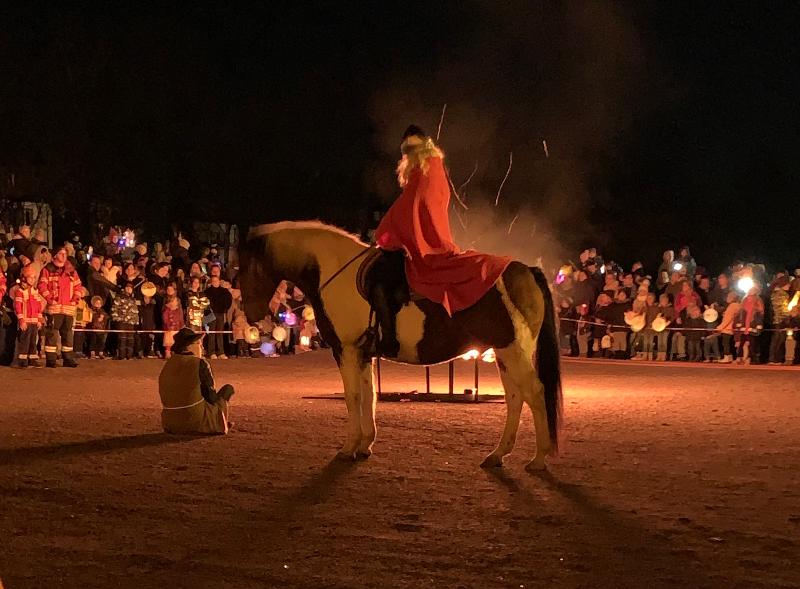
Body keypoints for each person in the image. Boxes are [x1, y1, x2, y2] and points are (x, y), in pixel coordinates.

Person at [372, 125, 512, 357]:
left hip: (426, 243)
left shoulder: (428, 170)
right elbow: (413, 204)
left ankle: (389, 337)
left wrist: (388, 230)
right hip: (422, 236)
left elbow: (412, 206)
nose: (409, 153)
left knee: (383, 277)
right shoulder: (428, 170)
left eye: (412, 148)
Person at [158, 327, 234, 434]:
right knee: (227, 390)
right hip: (194, 419)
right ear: (189, 346)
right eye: (198, 343)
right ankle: (220, 423)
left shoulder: (168, 364)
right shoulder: (199, 363)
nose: (202, 347)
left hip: (169, 422)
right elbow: (210, 395)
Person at [38, 247, 83, 368]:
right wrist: (50, 300)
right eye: (61, 253)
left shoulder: (72, 271)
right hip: (54, 308)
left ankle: (68, 358)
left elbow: (78, 287)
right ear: (55, 256)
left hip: (68, 308)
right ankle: (51, 359)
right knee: (52, 334)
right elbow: (42, 286)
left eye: (65, 254)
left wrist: (75, 300)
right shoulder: (48, 269)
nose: (63, 256)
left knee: (68, 334)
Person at [13, 265, 45, 368]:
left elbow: (38, 307)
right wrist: (21, 320)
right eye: (30, 277)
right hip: (26, 321)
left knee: (32, 341)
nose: (33, 280)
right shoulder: (20, 291)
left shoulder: (35, 291)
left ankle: (32, 359)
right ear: (24, 278)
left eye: (34, 277)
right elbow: (17, 307)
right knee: (24, 341)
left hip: (34, 321)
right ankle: (22, 360)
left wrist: (39, 320)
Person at [204, 273, 232, 359]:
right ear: (211, 282)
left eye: (216, 281)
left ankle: (221, 352)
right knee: (211, 333)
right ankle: (211, 352)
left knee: (220, 333)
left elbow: (229, 301)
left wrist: (224, 309)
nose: (215, 282)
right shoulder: (207, 292)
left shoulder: (224, 291)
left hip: (220, 313)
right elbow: (204, 304)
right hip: (210, 314)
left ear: (219, 282)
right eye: (213, 281)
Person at [111, 281, 139, 360]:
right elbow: (115, 308)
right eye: (127, 287)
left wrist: (136, 320)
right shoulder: (119, 297)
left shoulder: (133, 299)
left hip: (131, 322)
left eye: (130, 288)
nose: (129, 289)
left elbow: (135, 311)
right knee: (122, 339)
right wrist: (116, 318)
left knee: (130, 339)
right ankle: (121, 355)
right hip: (122, 321)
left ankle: (129, 356)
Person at [768, 276, 791, 364]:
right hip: (781, 320)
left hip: (775, 319)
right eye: (788, 283)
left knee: (776, 339)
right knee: (779, 339)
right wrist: (788, 317)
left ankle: (773, 358)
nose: (789, 285)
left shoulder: (774, 293)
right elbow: (783, 309)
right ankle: (775, 358)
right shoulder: (783, 294)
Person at [162, 282, 184, 359]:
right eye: (168, 289)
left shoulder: (178, 300)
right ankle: (168, 352)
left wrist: (181, 322)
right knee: (168, 339)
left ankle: (176, 353)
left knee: (176, 338)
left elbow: (180, 312)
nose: (169, 291)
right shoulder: (164, 299)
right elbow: (163, 312)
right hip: (168, 322)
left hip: (177, 323)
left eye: (171, 289)